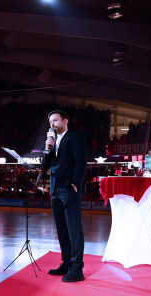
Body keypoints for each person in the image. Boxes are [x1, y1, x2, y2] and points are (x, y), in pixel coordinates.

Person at [42, 110, 87, 282]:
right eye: (50, 121)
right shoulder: (51, 142)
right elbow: (45, 166)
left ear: (65, 121)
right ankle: (67, 263)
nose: (52, 124)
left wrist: (76, 182)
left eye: (55, 120)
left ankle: (77, 268)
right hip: (54, 190)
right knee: (61, 229)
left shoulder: (75, 137)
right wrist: (47, 149)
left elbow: (81, 161)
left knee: (74, 229)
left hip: (69, 189)